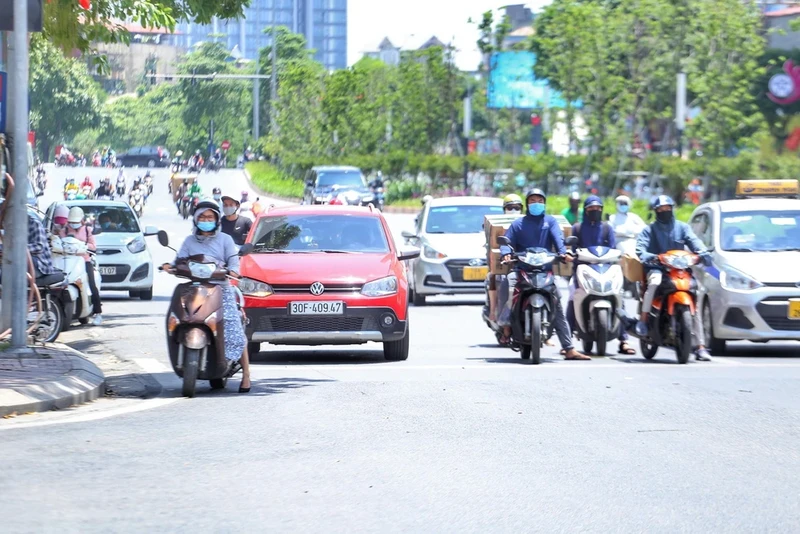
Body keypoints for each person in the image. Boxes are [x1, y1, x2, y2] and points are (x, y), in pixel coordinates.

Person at [162, 201, 251, 393]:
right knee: (177, 316)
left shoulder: (225, 240)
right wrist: (171, 267)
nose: (206, 221)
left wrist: (233, 271)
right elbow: (179, 260)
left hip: (220, 289)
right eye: (202, 217)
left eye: (210, 217)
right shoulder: (189, 241)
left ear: (217, 220)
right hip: (193, 288)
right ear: (195, 219)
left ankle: (246, 375)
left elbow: (233, 262)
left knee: (233, 327)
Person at [499, 189, 590, 360]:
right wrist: (506, 253)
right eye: (532, 200)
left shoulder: (550, 222)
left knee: (557, 304)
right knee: (508, 285)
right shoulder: (518, 224)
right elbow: (507, 241)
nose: (536, 203)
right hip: (522, 270)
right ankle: (505, 327)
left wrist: (564, 253)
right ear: (527, 204)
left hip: (544, 271)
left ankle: (569, 348)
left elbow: (559, 241)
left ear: (544, 203)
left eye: (539, 200)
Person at [635, 195, 712, 361]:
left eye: (667, 208)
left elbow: (694, 242)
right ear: (655, 211)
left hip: (680, 270)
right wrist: (652, 257)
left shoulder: (682, 228)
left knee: (696, 296)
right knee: (653, 282)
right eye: (660, 210)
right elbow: (640, 249)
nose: (664, 211)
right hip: (658, 269)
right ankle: (643, 319)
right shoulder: (650, 229)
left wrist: (702, 253)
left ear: (672, 208)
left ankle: (700, 346)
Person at [565, 196, 636, 355]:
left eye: (597, 208)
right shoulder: (577, 228)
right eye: (591, 208)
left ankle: (624, 339)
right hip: (583, 270)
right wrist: (571, 255)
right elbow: (573, 249)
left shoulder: (607, 228)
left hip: (605, 269)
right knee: (572, 296)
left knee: (618, 296)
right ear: (585, 210)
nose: (594, 211)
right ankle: (567, 340)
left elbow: (611, 248)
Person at [59, 207, 103, 325]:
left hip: (84, 261)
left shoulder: (88, 230)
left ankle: (98, 313)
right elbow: (59, 243)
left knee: (92, 286)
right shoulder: (64, 231)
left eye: (76, 222)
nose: (73, 224)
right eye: (71, 222)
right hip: (68, 261)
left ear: (82, 220)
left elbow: (93, 246)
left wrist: (82, 245)